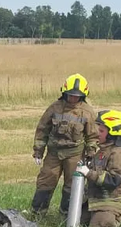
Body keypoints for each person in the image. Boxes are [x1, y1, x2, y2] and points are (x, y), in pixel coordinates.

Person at [30, 74, 98, 216]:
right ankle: (38, 213)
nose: (73, 98)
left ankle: (67, 214)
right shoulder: (54, 108)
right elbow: (42, 129)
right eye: (70, 95)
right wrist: (38, 151)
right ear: (64, 93)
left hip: (75, 154)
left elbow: (92, 136)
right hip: (54, 153)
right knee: (46, 181)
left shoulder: (87, 112)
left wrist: (91, 154)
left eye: (76, 96)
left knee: (72, 185)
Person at [76, 109, 121, 227]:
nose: (97, 133)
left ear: (113, 134)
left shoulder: (119, 153)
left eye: (101, 131)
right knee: (78, 223)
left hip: (110, 202)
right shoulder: (102, 150)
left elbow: (113, 180)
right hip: (94, 201)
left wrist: (88, 173)